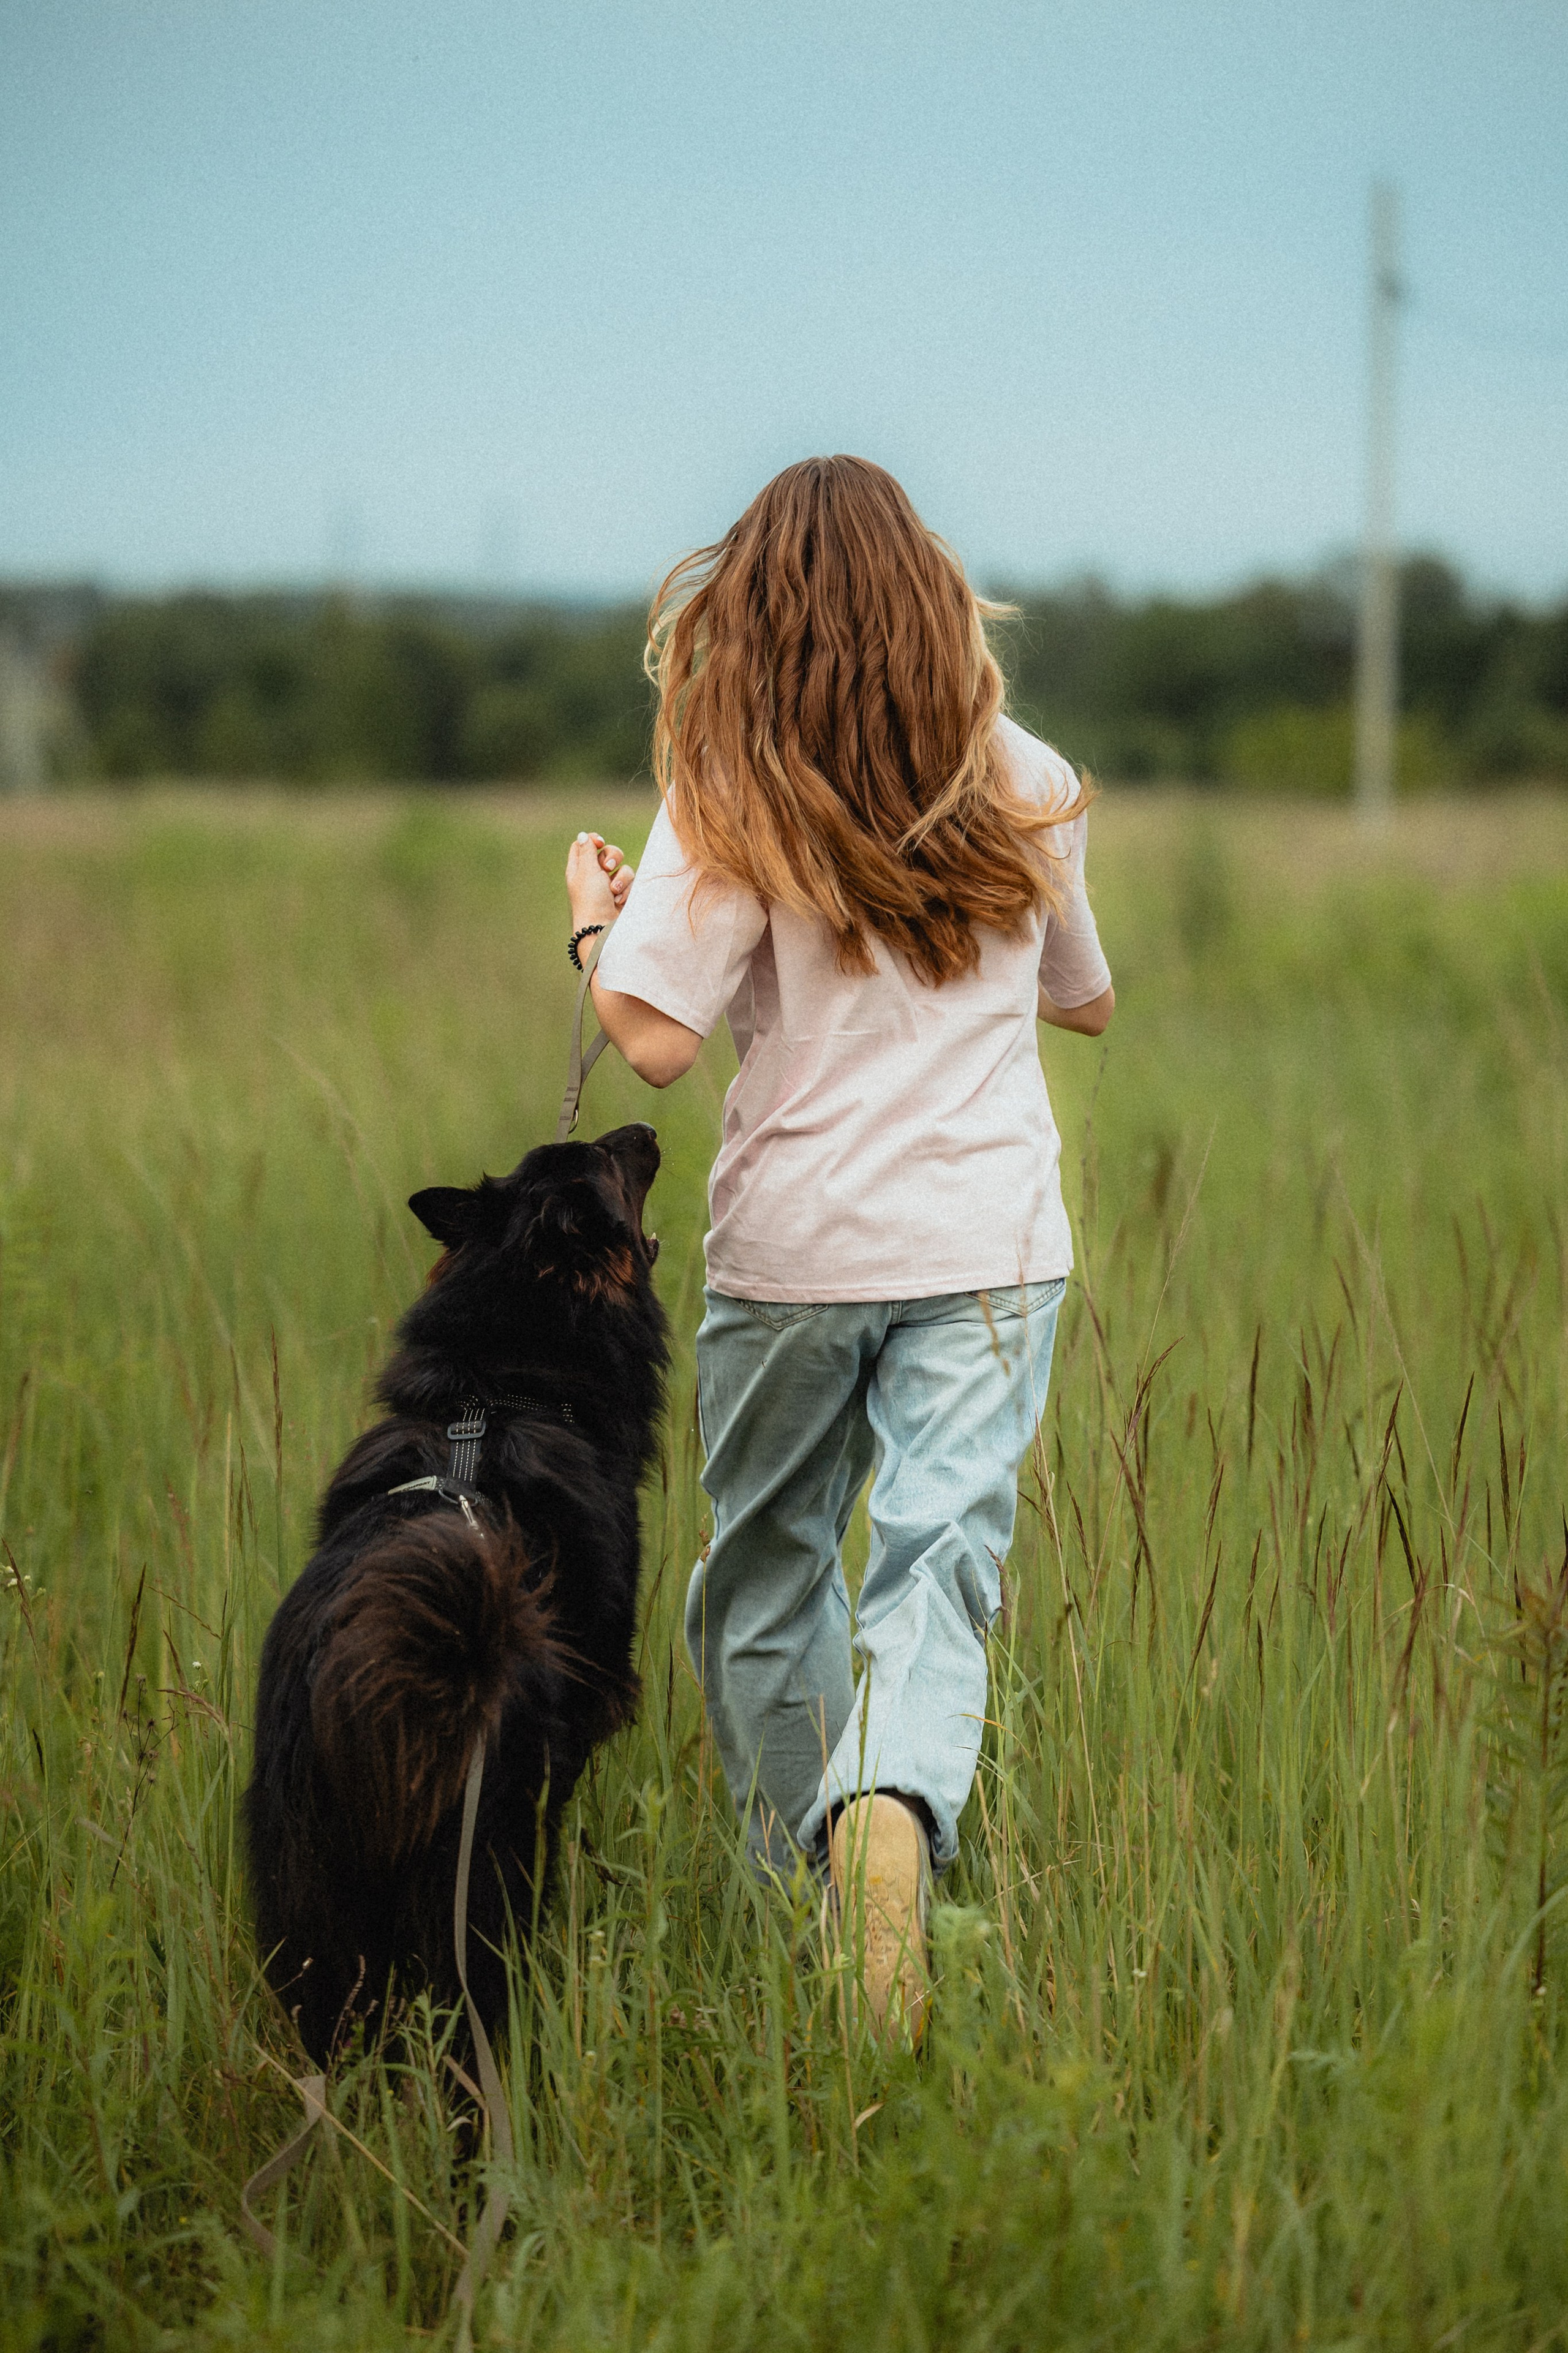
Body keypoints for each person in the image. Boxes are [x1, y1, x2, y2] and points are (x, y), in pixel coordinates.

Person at [564, 456, 1113, 2042]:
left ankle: (810, 1895)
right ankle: (894, 1835)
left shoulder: (737, 773)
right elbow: (1085, 995)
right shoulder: (1024, 772)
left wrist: (599, 924)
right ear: (935, 596)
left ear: (753, 606)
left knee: (767, 1569)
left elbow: (654, 1041)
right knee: (939, 1570)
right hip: (997, 1242)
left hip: (802, 1245)